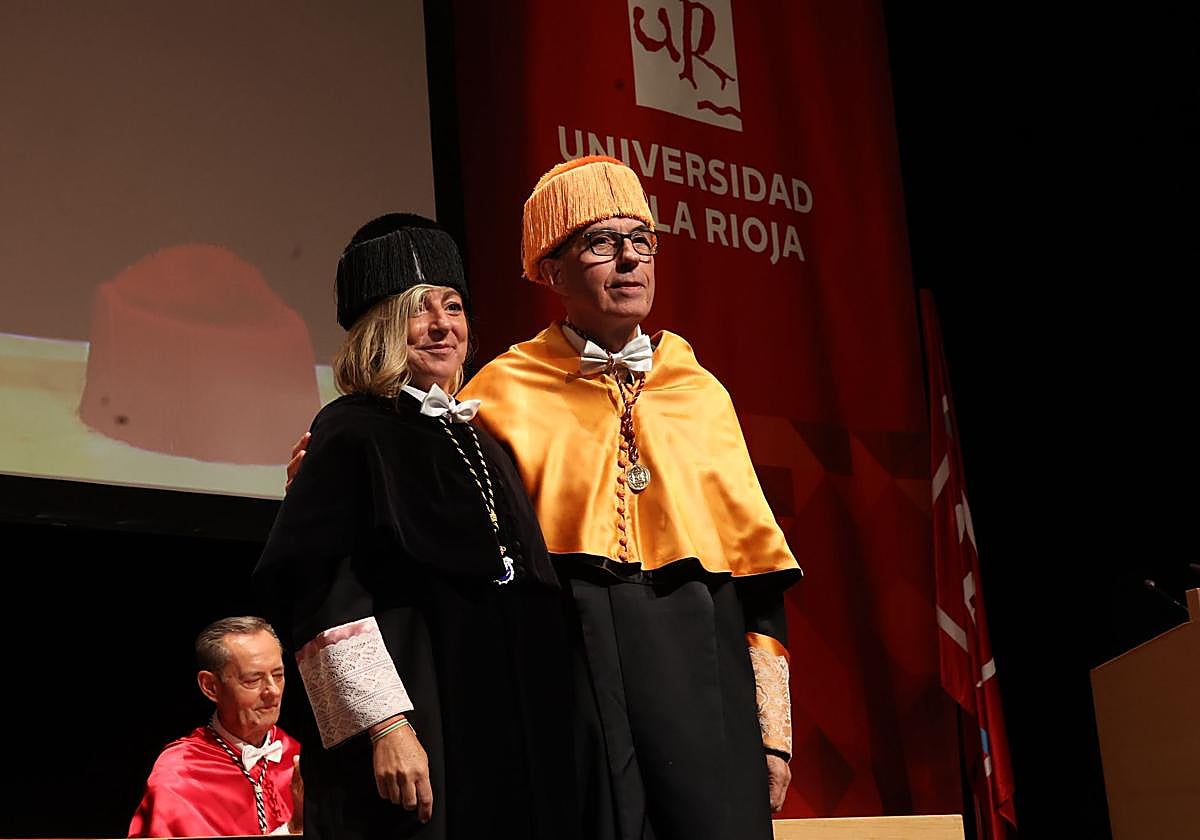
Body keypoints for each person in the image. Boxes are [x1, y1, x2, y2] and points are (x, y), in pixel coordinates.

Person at [458, 155, 803, 840]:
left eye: (641, 239)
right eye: (600, 242)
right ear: (552, 272)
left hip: (701, 654)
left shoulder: (698, 390)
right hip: (573, 663)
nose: (628, 260)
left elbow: (759, 574)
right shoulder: (498, 393)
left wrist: (774, 735)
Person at [253, 213, 576, 840]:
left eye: (453, 307)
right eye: (417, 310)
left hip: (508, 728)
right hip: (419, 720)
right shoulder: (349, 429)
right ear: (379, 327)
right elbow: (319, 591)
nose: (442, 326)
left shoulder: (481, 439)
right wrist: (387, 727)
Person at [128, 616, 302, 838]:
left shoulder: (297, 757)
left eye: (278, 675)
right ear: (210, 686)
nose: (273, 691)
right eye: (252, 680)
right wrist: (293, 831)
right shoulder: (179, 775)